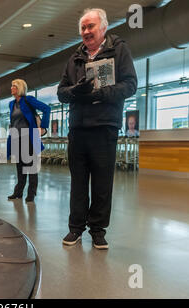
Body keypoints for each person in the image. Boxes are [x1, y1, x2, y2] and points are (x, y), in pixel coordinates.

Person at [57, 8, 137, 249]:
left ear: (103, 28)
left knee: (102, 182)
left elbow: (130, 84)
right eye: (83, 28)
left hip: (105, 127)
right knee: (78, 182)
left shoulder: (119, 50)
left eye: (90, 26)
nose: (86, 32)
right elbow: (61, 92)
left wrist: (102, 93)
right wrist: (76, 92)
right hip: (78, 129)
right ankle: (75, 228)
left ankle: (98, 230)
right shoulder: (74, 58)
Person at [7, 79, 50, 202]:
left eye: (13, 86)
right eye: (11, 86)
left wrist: (43, 127)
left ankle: (31, 194)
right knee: (20, 167)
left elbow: (46, 108)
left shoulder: (28, 100)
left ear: (20, 88)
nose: (11, 88)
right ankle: (18, 192)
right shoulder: (11, 104)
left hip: (29, 138)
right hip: (16, 138)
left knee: (31, 168)